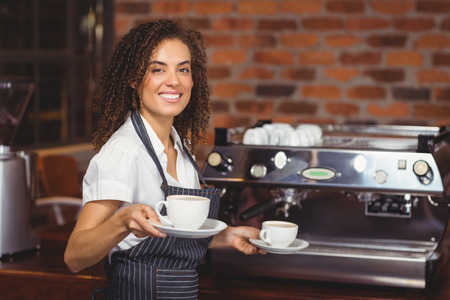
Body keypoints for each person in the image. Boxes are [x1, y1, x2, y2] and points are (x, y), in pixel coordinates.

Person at [64, 19, 264, 299]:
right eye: (158, 69)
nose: (174, 80)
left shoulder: (182, 149)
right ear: (134, 79)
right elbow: (75, 256)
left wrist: (225, 237)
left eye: (183, 69)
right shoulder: (124, 152)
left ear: (193, 79)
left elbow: (173, 241)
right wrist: (121, 222)